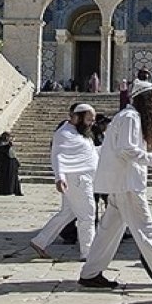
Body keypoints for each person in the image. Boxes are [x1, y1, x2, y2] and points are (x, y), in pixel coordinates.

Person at [78, 80, 152, 290]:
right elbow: (126, 150)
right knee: (146, 229)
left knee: (107, 232)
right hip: (127, 184)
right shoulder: (131, 117)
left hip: (122, 183)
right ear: (144, 99)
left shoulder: (127, 116)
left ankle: (90, 273)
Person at [31, 103, 100, 261]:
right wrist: (59, 177)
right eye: (89, 119)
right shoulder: (64, 133)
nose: (91, 123)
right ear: (77, 117)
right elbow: (58, 155)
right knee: (88, 215)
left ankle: (40, 241)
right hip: (76, 180)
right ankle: (88, 253)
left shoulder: (80, 133)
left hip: (82, 178)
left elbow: (89, 153)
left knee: (68, 213)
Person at [0, 132, 22, 196]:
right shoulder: (5, 146)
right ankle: (8, 190)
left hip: (5, 165)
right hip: (8, 164)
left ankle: (5, 190)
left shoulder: (0, 145)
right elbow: (12, 155)